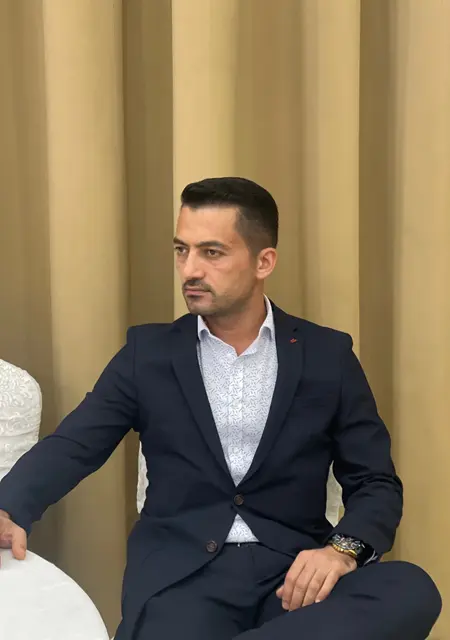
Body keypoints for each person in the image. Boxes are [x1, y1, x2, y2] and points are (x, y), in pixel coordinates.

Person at [0, 177, 441, 639]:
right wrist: (10, 507)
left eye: (212, 253)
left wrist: (340, 552)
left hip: (293, 578)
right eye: (182, 250)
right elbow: (74, 444)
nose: (190, 269)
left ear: (263, 261)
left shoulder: (326, 355)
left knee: (410, 589)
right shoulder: (147, 354)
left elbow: (374, 481)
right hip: (182, 579)